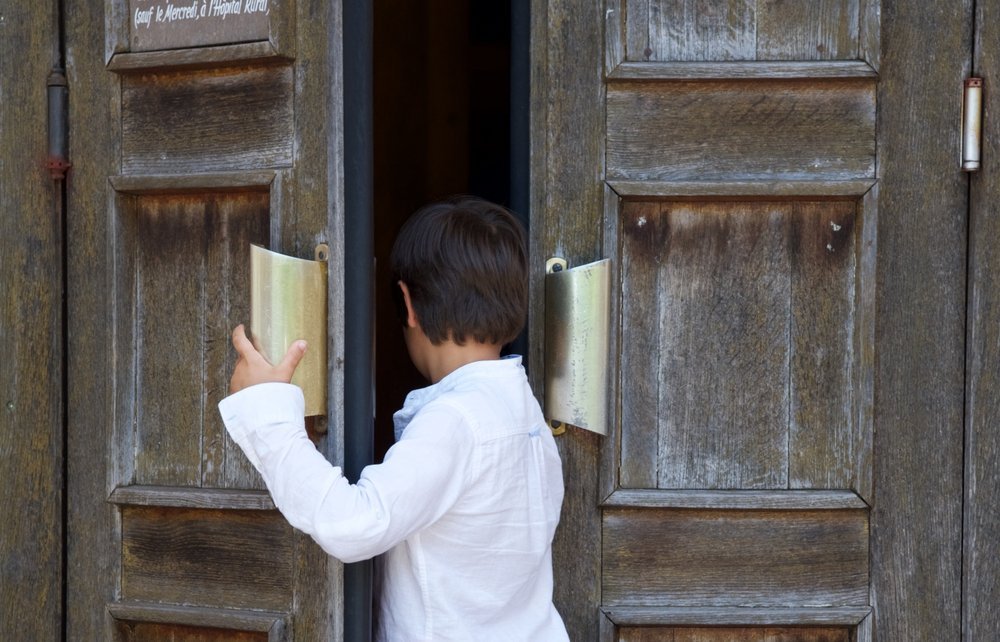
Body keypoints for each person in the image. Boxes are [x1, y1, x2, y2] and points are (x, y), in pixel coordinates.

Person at [219, 196, 569, 641]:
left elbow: (355, 525)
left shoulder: (457, 420)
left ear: (407, 304)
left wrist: (266, 411)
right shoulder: (525, 410)